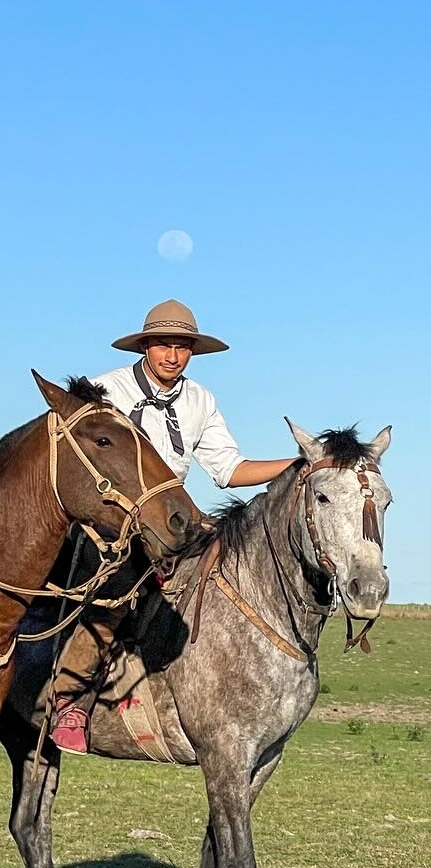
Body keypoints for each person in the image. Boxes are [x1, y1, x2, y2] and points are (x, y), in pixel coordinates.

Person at [49, 299, 296, 754]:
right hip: (112, 520)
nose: (172, 354)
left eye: (182, 346)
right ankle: (70, 698)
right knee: (118, 593)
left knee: (229, 573)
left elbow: (228, 468)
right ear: (145, 346)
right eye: (163, 343)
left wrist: (299, 464)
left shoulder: (201, 400)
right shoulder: (107, 389)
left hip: (172, 520)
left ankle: (208, 693)